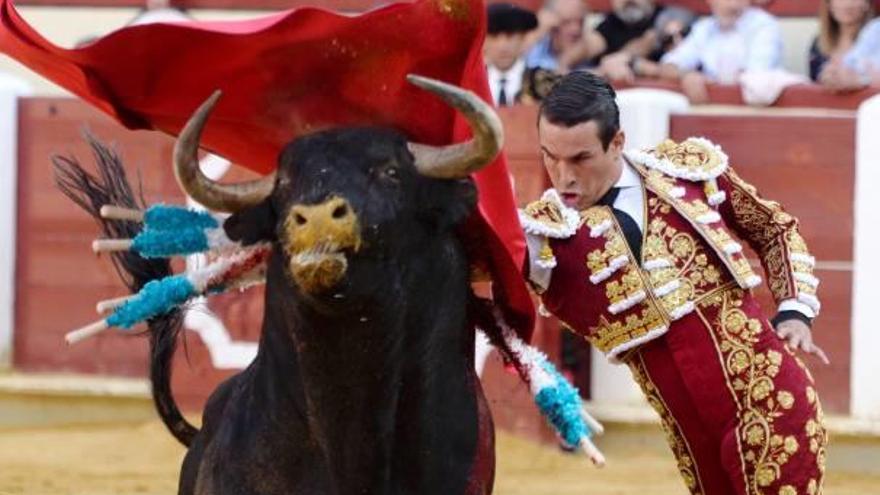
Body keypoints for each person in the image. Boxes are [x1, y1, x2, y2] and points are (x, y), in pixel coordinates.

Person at [520, 71, 828, 495]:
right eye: (549, 157)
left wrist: (795, 308)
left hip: (771, 398)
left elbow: (773, 228)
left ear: (617, 142)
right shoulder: (543, 235)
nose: (563, 176)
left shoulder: (685, 173)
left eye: (580, 159)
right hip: (691, 436)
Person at [659, 0, 784, 103]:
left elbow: (754, 77)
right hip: (712, 113)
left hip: (755, 115)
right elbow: (668, 65)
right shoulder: (704, 28)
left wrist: (707, 82)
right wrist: (685, 75)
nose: (732, 4)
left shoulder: (764, 25)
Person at [484, 3, 539, 107]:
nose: (503, 46)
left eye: (510, 36)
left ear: (522, 39)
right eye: (494, 37)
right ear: (484, 42)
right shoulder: (474, 83)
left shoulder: (543, 83)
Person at [525, 0, 604, 72]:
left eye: (581, 22)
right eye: (567, 22)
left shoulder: (590, 54)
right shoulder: (533, 51)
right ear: (551, 23)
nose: (576, 30)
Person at [810, 0, 874, 83]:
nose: (847, 4)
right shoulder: (818, 42)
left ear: (867, 4)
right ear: (829, 4)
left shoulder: (875, 40)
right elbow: (813, 83)